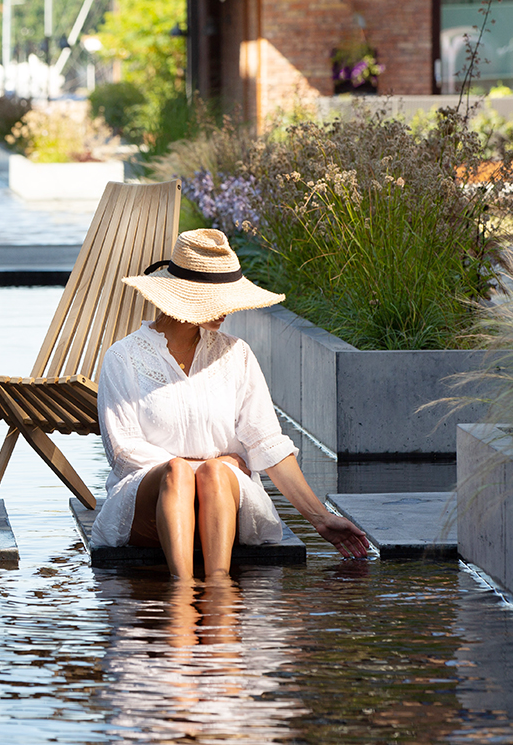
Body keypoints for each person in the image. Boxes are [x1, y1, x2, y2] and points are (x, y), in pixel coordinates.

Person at [91, 228, 369, 578]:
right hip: (148, 508)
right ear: (183, 295)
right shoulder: (123, 357)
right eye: (216, 296)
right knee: (181, 473)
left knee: (216, 474)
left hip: (225, 505)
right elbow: (123, 452)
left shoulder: (236, 354)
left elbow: (267, 443)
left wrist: (320, 519)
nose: (228, 308)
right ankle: (182, 592)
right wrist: (210, 464)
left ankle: (219, 590)